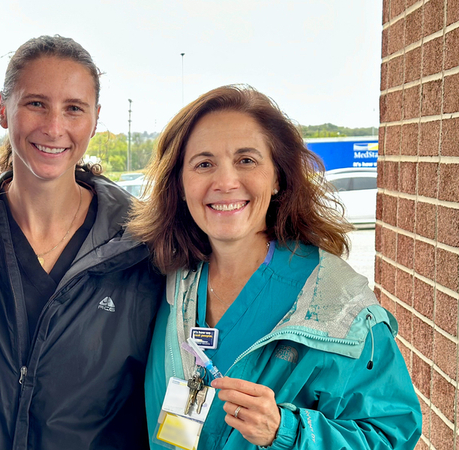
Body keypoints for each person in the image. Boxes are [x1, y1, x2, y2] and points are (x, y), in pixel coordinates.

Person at [129, 85, 422, 449]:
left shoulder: (338, 305)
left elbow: (392, 435)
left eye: (246, 160)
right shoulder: (169, 280)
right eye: (204, 164)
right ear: (181, 183)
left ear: (278, 177)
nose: (224, 182)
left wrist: (287, 431)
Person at [0, 35, 163, 449]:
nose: (54, 128)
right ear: (4, 110)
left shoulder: (141, 239)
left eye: (73, 108)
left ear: (94, 119)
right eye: (36, 103)